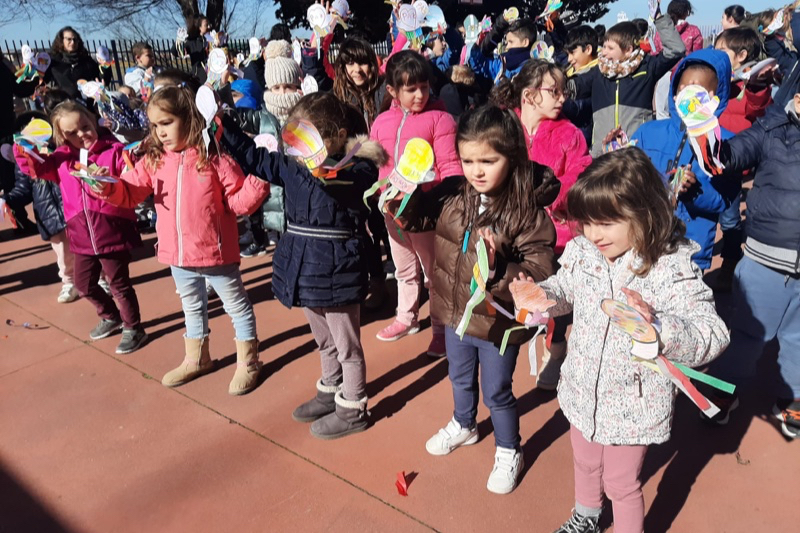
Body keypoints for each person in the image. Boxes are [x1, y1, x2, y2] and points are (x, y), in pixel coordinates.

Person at [537, 148, 729, 533]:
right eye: (587, 222)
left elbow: (712, 332)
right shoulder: (585, 251)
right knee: (586, 462)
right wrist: (542, 296)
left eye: (606, 222)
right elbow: (565, 288)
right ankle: (586, 516)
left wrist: (660, 329)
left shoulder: (668, 266)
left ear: (643, 213)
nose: (593, 233)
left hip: (633, 403)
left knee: (622, 483)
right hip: (583, 387)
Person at [385, 105, 556, 494]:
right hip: (454, 312)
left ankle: (510, 448)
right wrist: (401, 199)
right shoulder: (456, 195)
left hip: (498, 324)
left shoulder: (527, 211)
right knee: (459, 377)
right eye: (467, 160)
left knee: (497, 391)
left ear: (511, 158)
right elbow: (421, 218)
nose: (476, 170)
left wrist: (499, 269)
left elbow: (542, 272)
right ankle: (464, 424)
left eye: (488, 161)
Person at [220, 93, 387, 439]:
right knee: (323, 339)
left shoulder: (356, 169)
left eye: (310, 139)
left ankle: (353, 407)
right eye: (296, 140)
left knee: (348, 346)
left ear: (338, 136)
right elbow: (254, 158)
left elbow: (359, 184)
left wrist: (331, 171)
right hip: (304, 265)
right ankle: (330, 390)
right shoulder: (292, 166)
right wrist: (224, 129)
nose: (301, 149)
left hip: (339, 267)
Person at [91, 85, 269, 395]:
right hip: (177, 253)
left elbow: (239, 202)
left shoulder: (215, 159)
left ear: (189, 118)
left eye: (166, 122)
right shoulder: (154, 160)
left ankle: (249, 362)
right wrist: (106, 186)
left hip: (215, 253)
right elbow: (131, 193)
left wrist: (258, 179)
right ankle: (196, 358)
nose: (160, 132)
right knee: (192, 306)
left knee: (236, 307)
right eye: (155, 125)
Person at [698, 96, 800, 438]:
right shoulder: (773, 128)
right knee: (748, 334)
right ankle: (725, 388)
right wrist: (704, 130)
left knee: (799, 338)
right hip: (767, 257)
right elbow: (725, 156)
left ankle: (793, 397)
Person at [14, 101, 147, 354]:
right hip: (81, 234)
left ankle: (134, 327)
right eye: (71, 133)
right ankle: (111, 316)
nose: (81, 135)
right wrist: (25, 149)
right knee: (83, 284)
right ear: (62, 136)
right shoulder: (61, 159)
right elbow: (37, 168)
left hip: (111, 228)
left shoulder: (114, 151)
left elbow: (130, 174)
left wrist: (133, 158)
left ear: (93, 120)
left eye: (85, 126)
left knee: (119, 284)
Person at [492, 59, 593, 391]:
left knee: (556, 298)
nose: (562, 98)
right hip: (509, 230)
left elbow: (578, 175)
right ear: (529, 94)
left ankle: (557, 346)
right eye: (554, 91)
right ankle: (502, 359)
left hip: (557, 232)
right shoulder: (505, 128)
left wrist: (553, 199)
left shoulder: (570, 134)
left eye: (564, 91)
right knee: (511, 288)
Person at [370, 50, 462, 356]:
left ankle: (440, 327)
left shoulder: (440, 119)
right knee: (403, 269)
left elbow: (450, 167)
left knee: (433, 273)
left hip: (425, 211)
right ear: (393, 91)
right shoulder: (382, 121)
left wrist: (441, 202)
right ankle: (406, 318)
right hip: (392, 211)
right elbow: (378, 164)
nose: (420, 94)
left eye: (424, 86)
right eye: (411, 89)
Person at [632, 49, 740, 272]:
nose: (687, 97)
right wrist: (616, 152)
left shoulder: (726, 143)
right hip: (644, 237)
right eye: (683, 89)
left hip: (691, 246)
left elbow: (723, 199)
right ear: (673, 93)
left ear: (713, 97)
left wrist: (695, 193)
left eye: (697, 91)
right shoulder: (648, 131)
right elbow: (628, 177)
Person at [569, 14, 686, 156]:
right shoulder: (598, 72)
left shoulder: (646, 67)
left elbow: (676, 50)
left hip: (637, 151)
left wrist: (659, 19)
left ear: (628, 49)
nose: (604, 52)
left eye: (610, 48)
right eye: (604, 46)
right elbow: (574, 86)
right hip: (602, 154)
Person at [711, 27, 774, 291]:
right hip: (706, 154)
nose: (715, 55)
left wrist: (758, 83)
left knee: (728, 216)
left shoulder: (748, 84)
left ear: (742, 55)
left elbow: (757, 105)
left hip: (731, 160)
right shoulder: (714, 79)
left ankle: (730, 260)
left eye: (721, 50)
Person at [6, 112, 76, 302]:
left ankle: (99, 277)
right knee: (62, 253)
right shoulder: (24, 162)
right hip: (48, 214)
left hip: (70, 207)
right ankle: (69, 282)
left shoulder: (61, 151)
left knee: (84, 246)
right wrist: (8, 199)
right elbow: (22, 188)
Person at [653, 1, 705, 119]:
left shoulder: (662, 31)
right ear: (686, 12)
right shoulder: (694, 31)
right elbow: (697, 54)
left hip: (665, 73)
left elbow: (658, 48)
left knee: (662, 111)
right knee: (686, 110)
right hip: (685, 74)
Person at [470, 17, 538, 84]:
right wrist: (476, 46)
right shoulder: (501, 63)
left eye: (511, 42)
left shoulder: (533, 71)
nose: (507, 47)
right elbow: (481, 66)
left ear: (525, 42)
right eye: (507, 43)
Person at [562, 25, 600, 145]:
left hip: (585, 137)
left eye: (572, 53)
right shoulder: (570, 70)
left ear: (588, 49)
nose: (569, 59)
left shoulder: (598, 71)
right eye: (568, 54)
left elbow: (581, 85)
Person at [47, 27, 109, 98]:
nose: (72, 42)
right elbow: (43, 80)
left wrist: (105, 65)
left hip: (84, 103)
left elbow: (102, 78)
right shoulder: (54, 61)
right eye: (69, 39)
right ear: (61, 41)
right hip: (62, 103)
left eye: (75, 40)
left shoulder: (86, 60)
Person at [262, 40, 303, 125]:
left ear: (297, 87)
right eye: (276, 88)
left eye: (288, 87)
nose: (282, 93)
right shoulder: (261, 117)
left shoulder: (308, 115)